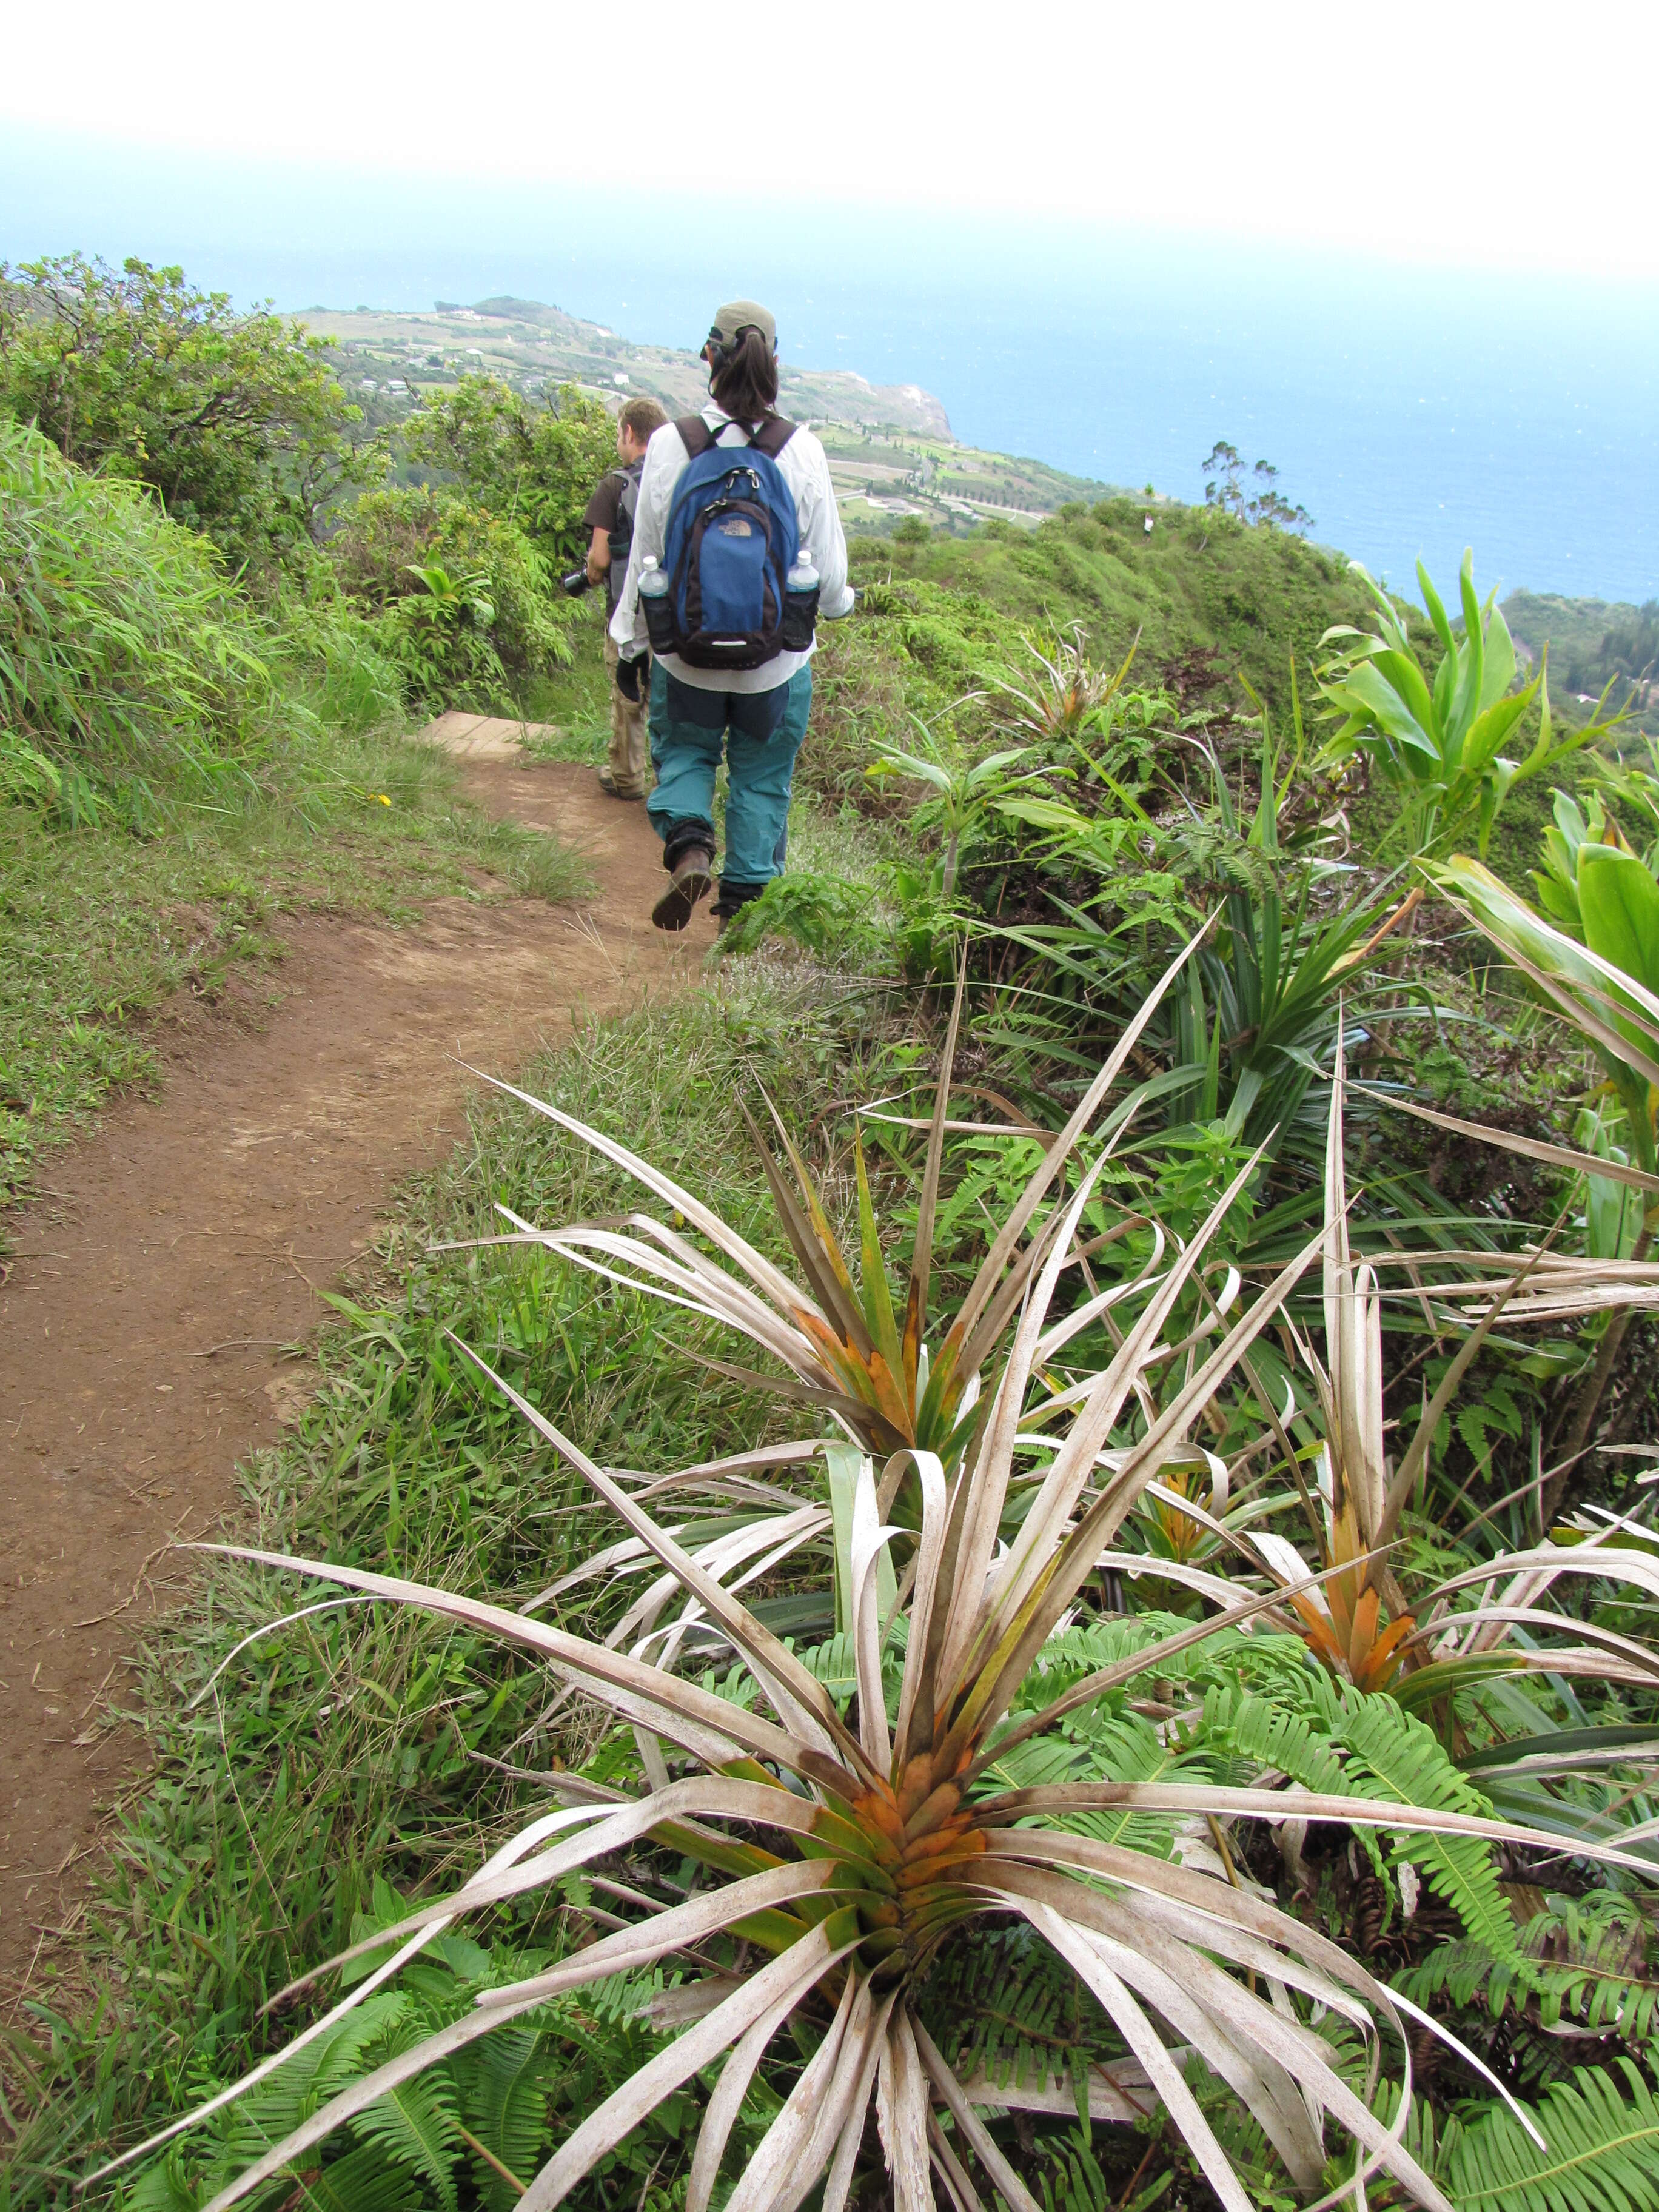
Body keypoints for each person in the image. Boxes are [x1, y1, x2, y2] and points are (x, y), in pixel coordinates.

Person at [609, 300, 853, 930]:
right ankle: (740, 920)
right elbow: (830, 580)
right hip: (774, 664)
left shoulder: (670, 443)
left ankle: (691, 847)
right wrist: (836, 606)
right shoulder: (801, 451)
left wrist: (632, 645)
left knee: (685, 752)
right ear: (772, 364)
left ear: (709, 357)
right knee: (762, 777)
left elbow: (646, 559)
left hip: (684, 654)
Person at [582, 394, 669, 799]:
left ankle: (627, 778)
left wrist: (591, 573)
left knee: (627, 694)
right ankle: (669, 785)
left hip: (627, 611)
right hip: (673, 615)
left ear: (630, 433)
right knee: (666, 697)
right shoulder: (678, 481)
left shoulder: (615, 485)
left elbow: (600, 558)